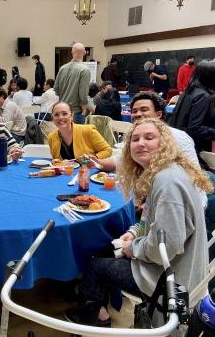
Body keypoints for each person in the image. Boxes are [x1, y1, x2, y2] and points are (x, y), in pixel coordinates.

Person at [65, 118, 213, 327]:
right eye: (135, 139)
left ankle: (92, 325)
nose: (140, 143)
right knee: (105, 250)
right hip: (175, 268)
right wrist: (135, 233)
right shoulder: (167, 172)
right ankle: (101, 313)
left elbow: (166, 247)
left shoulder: (167, 183)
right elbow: (153, 223)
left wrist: (131, 248)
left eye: (149, 137)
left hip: (170, 281)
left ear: (164, 143)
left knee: (94, 266)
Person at [93, 92, 200, 172]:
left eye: (144, 110)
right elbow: (117, 162)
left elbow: (193, 174)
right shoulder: (135, 137)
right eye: (134, 111)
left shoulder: (179, 137)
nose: (138, 114)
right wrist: (94, 162)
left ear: (159, 114)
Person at [169, 60, 215, 155]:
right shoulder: (203, 96)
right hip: (194, 147)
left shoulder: (188, 91)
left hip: (180, 142)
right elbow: (195, 127)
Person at [47, 102, 112, 160]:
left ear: (71, 116)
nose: (60, 117)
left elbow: (107, 150)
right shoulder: (51, 137)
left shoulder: (87, 130)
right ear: (52, 118)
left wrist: (94, 158)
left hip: (89, 171)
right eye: (56, 115)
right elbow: (57, 162)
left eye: (64, 114)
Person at [54, 43, 90, 124]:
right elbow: (83, 93)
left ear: (72, 53)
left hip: (62, 112)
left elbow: (56, 89)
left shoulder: (62, 68)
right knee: (76, 136)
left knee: (63, 136)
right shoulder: (84, 70)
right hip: (76, 112)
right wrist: (84, 109)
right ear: (84, 53)